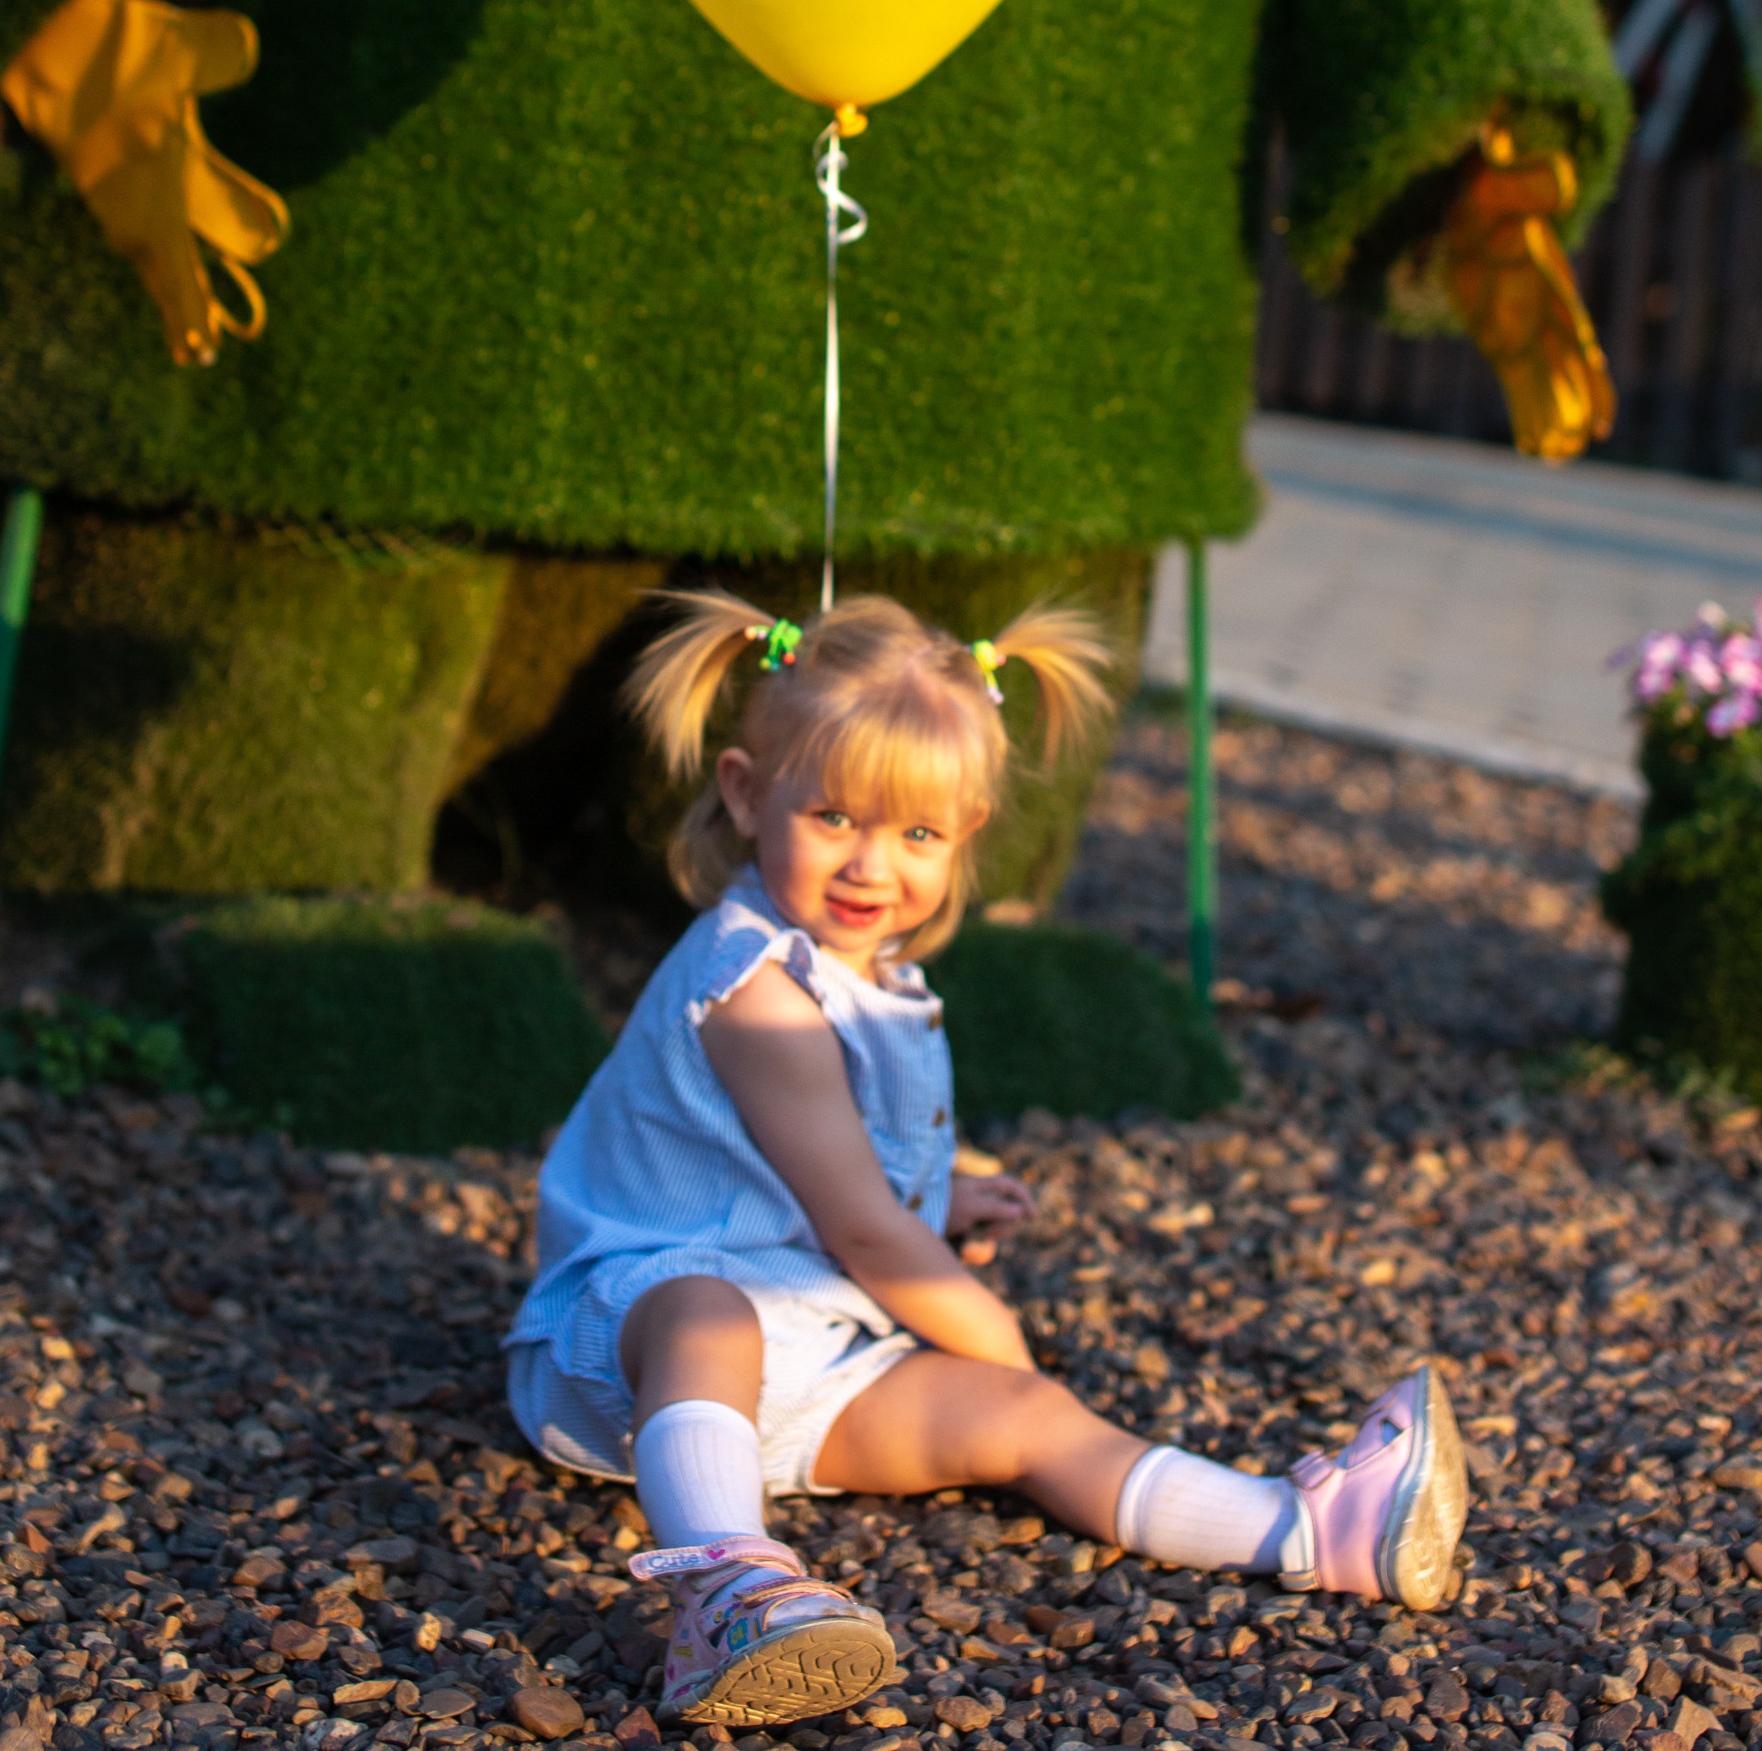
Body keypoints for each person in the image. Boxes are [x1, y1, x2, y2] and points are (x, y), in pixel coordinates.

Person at [505, 592, 1467, 1728]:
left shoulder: (880, 978)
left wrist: (946, 1197)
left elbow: (831, 1164)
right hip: (630, 1357)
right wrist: (992, 1333)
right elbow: (862, 1226)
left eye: (914, 834)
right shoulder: (754, 986)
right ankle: (726, 1589)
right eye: (832, 816)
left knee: (1028, 1425)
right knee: (713, 1312)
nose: (873, 866)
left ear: (961, 835)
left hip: (814, 1365)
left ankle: (1308, 1530)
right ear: (743, 791)